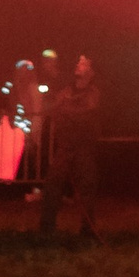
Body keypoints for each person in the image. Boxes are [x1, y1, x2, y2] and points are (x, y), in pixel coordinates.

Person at [38, 54, 101, 240]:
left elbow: (85, 112)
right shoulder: (66, 91)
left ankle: (87, 229)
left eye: (84, 63)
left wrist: (66, 109)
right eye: (78, 62)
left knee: (87, 188)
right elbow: (52, 109)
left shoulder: (94, 92)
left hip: (84, 147)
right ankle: (47, 227)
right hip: (65, 147)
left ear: (91, 72)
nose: (78, 65)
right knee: (53, 184)